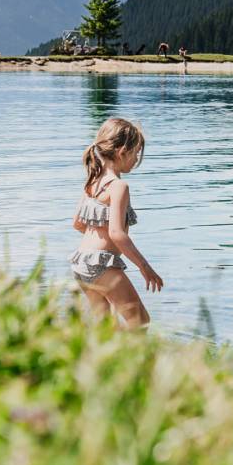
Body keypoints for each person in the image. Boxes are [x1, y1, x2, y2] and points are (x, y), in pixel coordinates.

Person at [69, 117, 164, 328]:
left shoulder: (92, 180)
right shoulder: (119, 186)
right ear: (122, 152)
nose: (137, 158)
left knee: (105, 325)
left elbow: (77, 223)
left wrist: (96, 238)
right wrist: (145, 267)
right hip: (101, 265)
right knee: (140, 322)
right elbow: (117, 234)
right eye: (136, 152)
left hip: (80, 261)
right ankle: (137, 361)